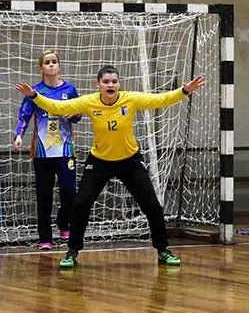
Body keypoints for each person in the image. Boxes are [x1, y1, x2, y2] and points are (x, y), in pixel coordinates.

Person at [15, 65, 205, 268]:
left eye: (114, 81)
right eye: (106, 82)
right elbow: (58, 108)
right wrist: (35, 96)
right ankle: (72, 252)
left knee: (152, 206)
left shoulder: (130, 99)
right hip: (99, 162)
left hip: (129, 161)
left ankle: (163, 250)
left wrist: (184, 90)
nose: (111, 85)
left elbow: (160, 100)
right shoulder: (89, 101)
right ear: (98, 85)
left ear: (118, 84)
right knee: (80, 205)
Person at [13, 50, 81, 250]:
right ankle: (45, 237)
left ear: (59, 66)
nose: (51, 65)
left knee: (69, 191)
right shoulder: (34, 91)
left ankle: (63, 222)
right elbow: (24, 115)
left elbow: (78, 116)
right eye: (47, 62)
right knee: (44, 195)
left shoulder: (70, 89)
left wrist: (72, 115)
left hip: (65, 150)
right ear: (41, 67)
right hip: (42, 152)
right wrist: (19, 135)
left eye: (54, 62)